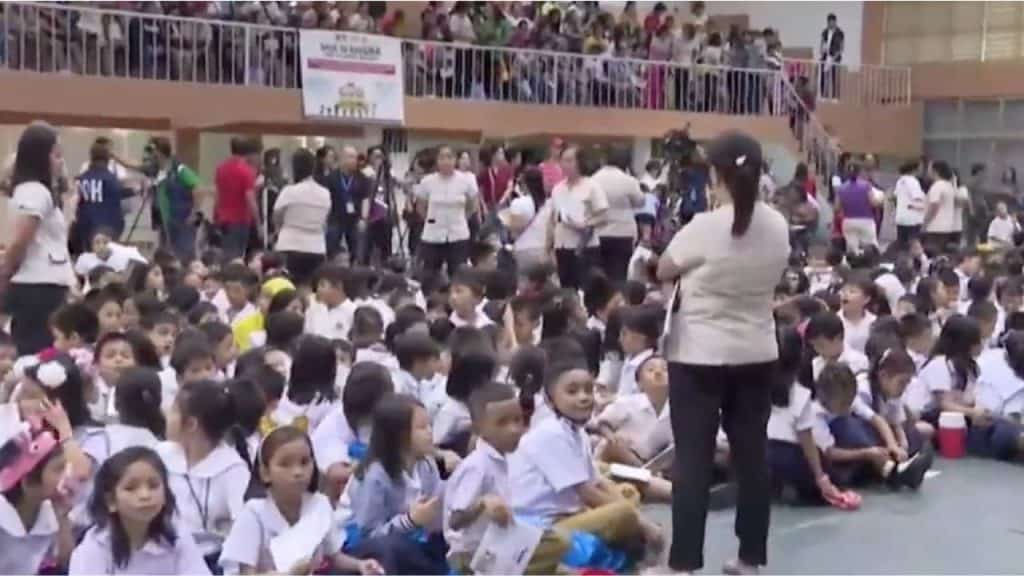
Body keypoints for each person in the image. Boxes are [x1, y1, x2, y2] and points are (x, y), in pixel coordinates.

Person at [657, 131, 789, 574]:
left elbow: (663, 268)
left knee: (692, 459)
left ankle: (683, 564)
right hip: (756, 352)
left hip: (698, 357)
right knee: (752, 456)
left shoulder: (704, 226)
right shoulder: (778, 224)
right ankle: (751, 558)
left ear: (716, 174)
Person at [218, 426, 383, 575]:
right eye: (285, 464)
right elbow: (246, 573)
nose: (298, 471)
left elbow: (334, 556)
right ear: (265, 473)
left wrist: (360, 565)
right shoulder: (253, 514)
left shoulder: (320, 505)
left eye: (304, 462)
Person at [70, 447, 210, 575]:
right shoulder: (95, 547)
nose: (145, 495)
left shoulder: (177, 535)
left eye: (153, 486)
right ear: (111, 501)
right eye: (131, 488)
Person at [347, 395, 447, 575]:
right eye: (422, 427)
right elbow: (369, 536)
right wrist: (410, 520)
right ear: (399, 435)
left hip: (413, 543)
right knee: (390, 549)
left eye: (429, 425)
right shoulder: (375, 475)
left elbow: (437, 506)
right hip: (369, 551)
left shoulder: (426, 464)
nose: (430, 432)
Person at [0, 122, 76, 355]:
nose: (60, 162)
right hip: (37, 286)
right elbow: (21, 240)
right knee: (37, 351)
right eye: (56, 155)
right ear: (38, 157)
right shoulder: (34, 190)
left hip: (47, 283)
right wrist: (4, 274)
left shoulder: (42, 192)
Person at [158, 379, 251, 569]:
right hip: (164, 555)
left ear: (191, 424)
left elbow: (244, 529)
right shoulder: (161, 454)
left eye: (174, 410)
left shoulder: (233, 469)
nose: (167, 413)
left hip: (210, 559)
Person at [546, 146, 609, 290]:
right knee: (566, 288)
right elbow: (552, 220)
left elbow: (604, 216)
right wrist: (547, 248)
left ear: (579, 162)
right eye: (562, 161)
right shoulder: (557, 188)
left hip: (585, 246)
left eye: (569, 161)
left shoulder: (592, 186)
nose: (565, 165)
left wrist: (585, 224)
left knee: (586, 287)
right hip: (562, 246)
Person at [415, 145, 479, 276]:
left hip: (458, 234)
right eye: (442, 158)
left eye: (449, 157)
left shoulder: (465, 180)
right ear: (437, 161)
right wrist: (431, 221)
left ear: (455, 160)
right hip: (433, 234)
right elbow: (421, 207)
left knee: (457, 274)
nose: (446, 161)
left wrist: (461, 219)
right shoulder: (427, 181)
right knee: (430, 273)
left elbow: (473, 205)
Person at [272, 148, 330, 287]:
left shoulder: (289, 191)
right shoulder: (324, 193)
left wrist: (278, 230)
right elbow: (325, 219)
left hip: (290, 244)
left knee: (288, 286)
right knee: (311, 287)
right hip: (316, 247)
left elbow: (277, 215)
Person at [593, 145, 644, 285]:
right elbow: (640, 202)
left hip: (598, 232)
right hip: (623, 233)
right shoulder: (628, 181)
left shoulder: (593, 180)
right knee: (619, 276)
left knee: (599, 275)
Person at [150, 137, 202, 263]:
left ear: (159, 152)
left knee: (184, 253)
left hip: (183, 218)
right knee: (167, 254)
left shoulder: (180, 169)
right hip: (166, 220)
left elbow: (198, 188)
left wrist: (194, 212)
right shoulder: (158, 170)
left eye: (152, 150)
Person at [214, 136, 262, 262]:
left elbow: (218, 194)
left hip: (223, 219)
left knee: (226, 253)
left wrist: (215, 215)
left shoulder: (221, 168)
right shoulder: (246, 171)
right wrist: (258, 223)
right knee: (237, 256)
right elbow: (250, 199)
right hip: (240, 220)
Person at [75, 139, 125, 253]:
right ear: (108, 159)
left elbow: (78, 207)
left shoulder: (82, 179)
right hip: (108, 229)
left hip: (85, 229)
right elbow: (117, 210)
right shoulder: (112, 180)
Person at [837, 162, 882, 255]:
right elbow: (873, 203)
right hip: (866, 221)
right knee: (870, 248)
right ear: (859, 172)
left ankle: (853, 265)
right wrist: (881, 199)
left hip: (848, 221)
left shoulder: (841, 188)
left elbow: (836, 207)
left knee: (852, 250)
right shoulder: (866, 186)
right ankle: (869, 265)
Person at [923, 160, 967, 254]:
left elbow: (934, 206)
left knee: (932, 254)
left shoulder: (937, 186)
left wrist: (925, 223)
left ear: (935, 171)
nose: (928, 171)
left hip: (935, 227)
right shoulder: (949, 186)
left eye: (929, 169)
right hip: (947, 227)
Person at [893, 159, 927, 249]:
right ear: (915, 169)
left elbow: (895, 197)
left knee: (901, 243)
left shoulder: (900, 181)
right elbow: (918, 198)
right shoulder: (913, 181)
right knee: (913, 244)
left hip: (901, 217)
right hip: (913, 219)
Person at [819, 13, 844, 99]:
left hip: (835, 57)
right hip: (826, 56)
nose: (830, 24)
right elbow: (822, 43)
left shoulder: (840, 33)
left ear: (835, 22)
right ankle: (823, 95)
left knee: (835, 77)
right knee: (823, 76)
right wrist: (822, 52)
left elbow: (841, 48)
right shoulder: (825, 32)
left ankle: (835, 96)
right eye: (829, 22)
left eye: (832, 22)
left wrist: (835, 57)